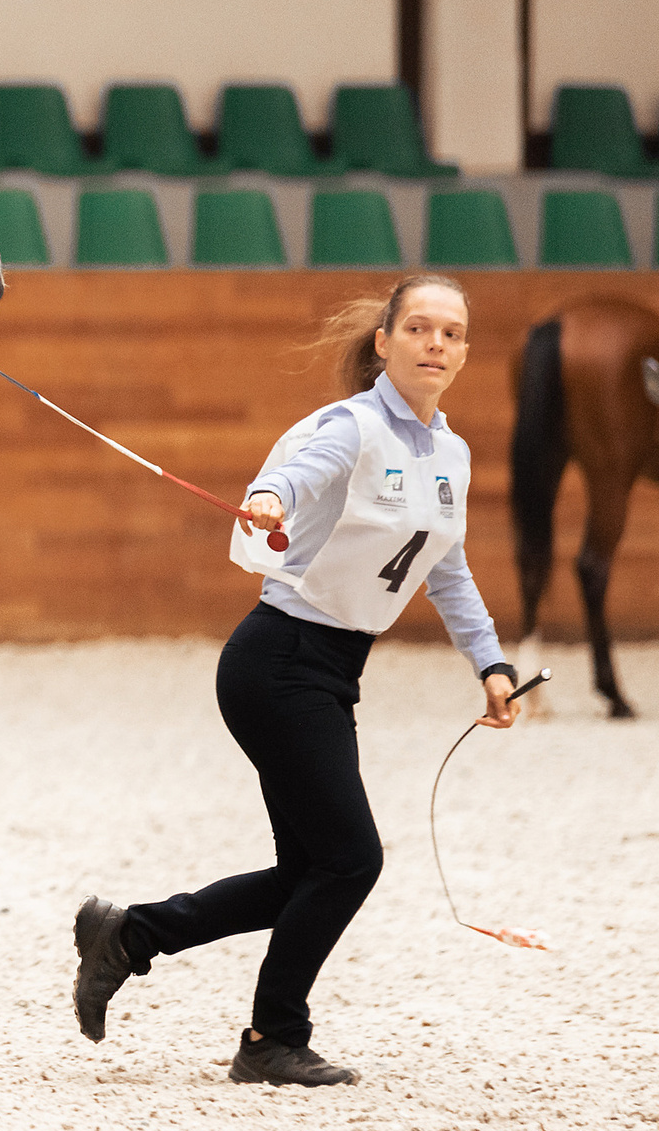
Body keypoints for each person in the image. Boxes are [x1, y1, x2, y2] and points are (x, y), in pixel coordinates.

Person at [73, 273, 524, 1087]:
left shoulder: (448, 453)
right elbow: (297, 473)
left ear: (463, 352)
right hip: (279, 660)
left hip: (329, 668)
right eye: (419, 328)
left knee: (306, 872)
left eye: (451, 334)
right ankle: (272, 1036)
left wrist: (490, 663)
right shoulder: (352, 428)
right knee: (351, 860)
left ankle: (131, 935)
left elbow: (446, 568)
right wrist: (271, 500)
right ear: (384, 343)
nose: (436, 344)